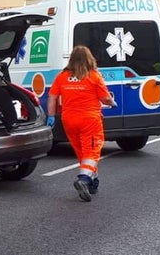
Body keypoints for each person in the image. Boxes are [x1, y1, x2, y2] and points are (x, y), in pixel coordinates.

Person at [47, 46, 115, 202]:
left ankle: (93, 182)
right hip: (89, 119)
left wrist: (51, 116)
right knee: (92, 151)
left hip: (69, 119)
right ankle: (84, 178)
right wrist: (112, 103)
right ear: (89, 59)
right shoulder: (94, 76)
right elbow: (105, 98)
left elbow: (52, 97)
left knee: (82, 152)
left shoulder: (62, 76)